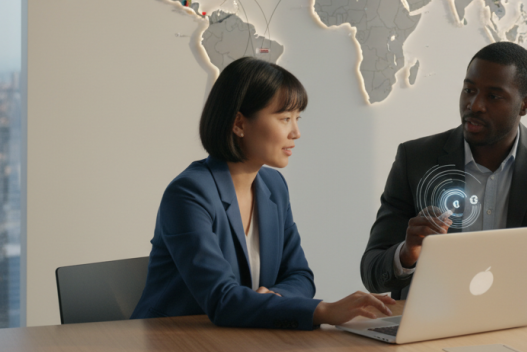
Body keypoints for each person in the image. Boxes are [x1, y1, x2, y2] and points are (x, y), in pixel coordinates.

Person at [132, 57, 395, 329]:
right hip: (172, 341)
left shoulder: (273, 186)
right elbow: (223, 300)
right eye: (284, 119)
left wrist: (276, 298)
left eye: (297, 118)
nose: (296, 132)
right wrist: (324, 311)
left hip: (239, 340)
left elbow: (300, 275)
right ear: (239, 124)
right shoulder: (189, 193)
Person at [361, 42, 527, 300]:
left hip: (520, 320)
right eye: (469, 90)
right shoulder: (416, 159)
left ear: (525, 105)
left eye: (493, 96)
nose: (475, 105)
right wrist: (407, 253)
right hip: (432, 321)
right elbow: (372, 271)